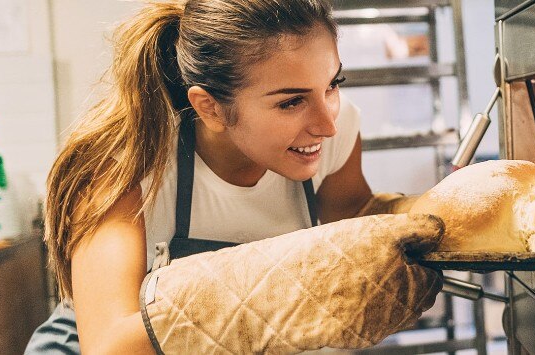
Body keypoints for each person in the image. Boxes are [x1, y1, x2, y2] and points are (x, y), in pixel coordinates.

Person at [27, 0, 436, 353]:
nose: (326, 124)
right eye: (291, 102)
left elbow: (355, 221)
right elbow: (111, 346)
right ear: (211, 108)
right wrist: (287, 291)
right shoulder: (127, 163)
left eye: (333, 85)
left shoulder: (337, 127)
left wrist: (441, 215)